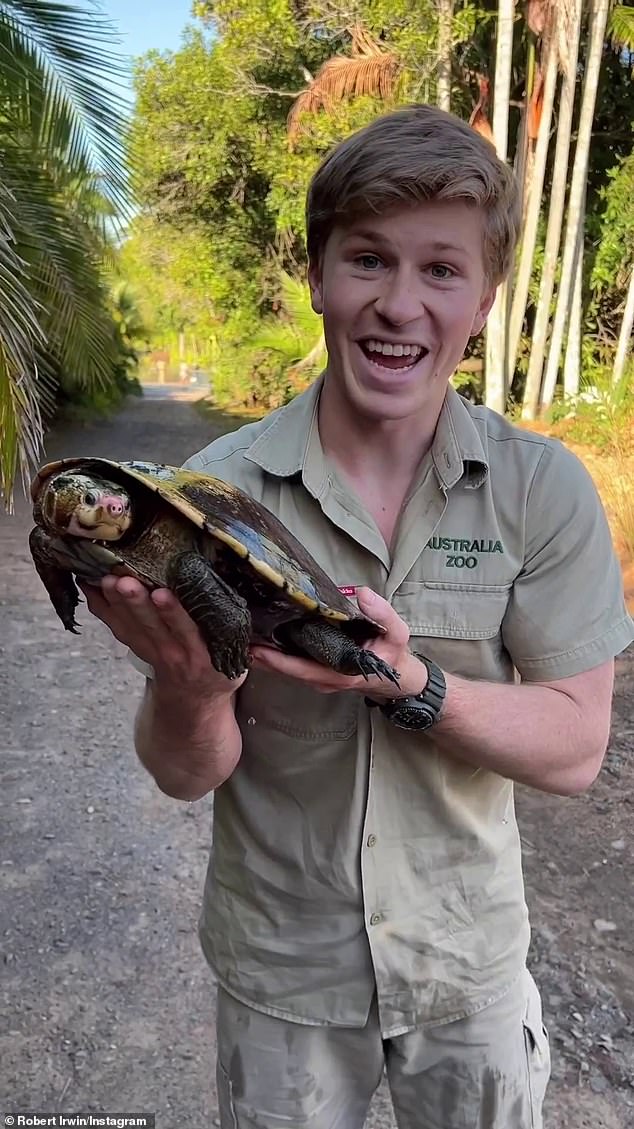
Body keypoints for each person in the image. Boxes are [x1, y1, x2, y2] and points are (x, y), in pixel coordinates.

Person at [81, 105, 634, 1128]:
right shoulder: (211, 491)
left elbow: (572, 749)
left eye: (440, 270)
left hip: (467, 964)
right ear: (318, 276)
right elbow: (182, 771)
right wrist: (190, 686)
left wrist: (412, 684)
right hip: (283, 968)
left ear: (483, 298)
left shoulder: (540, 488)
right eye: (368, 260)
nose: (398, 305)